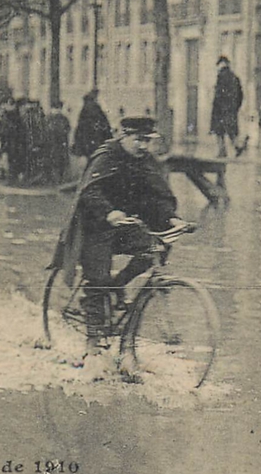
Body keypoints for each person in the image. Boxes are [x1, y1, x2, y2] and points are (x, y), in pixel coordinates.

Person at [50, 116, 184, 353]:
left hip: (124, 226)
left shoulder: (145, 161)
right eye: (138, 140)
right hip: (94, 227)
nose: (143, 146)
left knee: (154, 248)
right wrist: (108, 212)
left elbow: (157, 196)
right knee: (97, 278)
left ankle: (117, 285)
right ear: (122, 136)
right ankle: (92, 342)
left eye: (147, 141)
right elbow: (89, 192)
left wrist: (171, 217)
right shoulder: (106, 156)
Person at [210, 56, 246, 158]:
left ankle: (222, 151)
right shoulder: (235, 77)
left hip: (220, 109)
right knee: (231, 130)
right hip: (231, 109)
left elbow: (219, 94)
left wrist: (217, 107)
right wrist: (236, 107)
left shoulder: (221, 76)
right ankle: (237, 146)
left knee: (219, 131)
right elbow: (241, 94)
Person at [0, 97, 24, 183]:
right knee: (5, 157)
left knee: (4, 157)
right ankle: (2, 175)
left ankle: (1, 175)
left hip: (7, 138)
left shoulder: (4, 115)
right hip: (6, 138)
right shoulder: (12, 115)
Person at [72, 90, 113, 159]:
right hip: (96, 137)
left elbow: (80, 126)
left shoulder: (85, 108)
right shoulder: (95, 107)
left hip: (87, 138)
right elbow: (103, 122)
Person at [45, 104, 72, 184]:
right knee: (53, 161)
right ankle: (52, 179)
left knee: (61, 162)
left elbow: (68, 128)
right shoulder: (49, 118)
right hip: (52, 144)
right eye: (56, 108)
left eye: (59, 108)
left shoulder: (63, 118)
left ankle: (60, 179)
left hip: (61, 144)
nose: (57, 110)